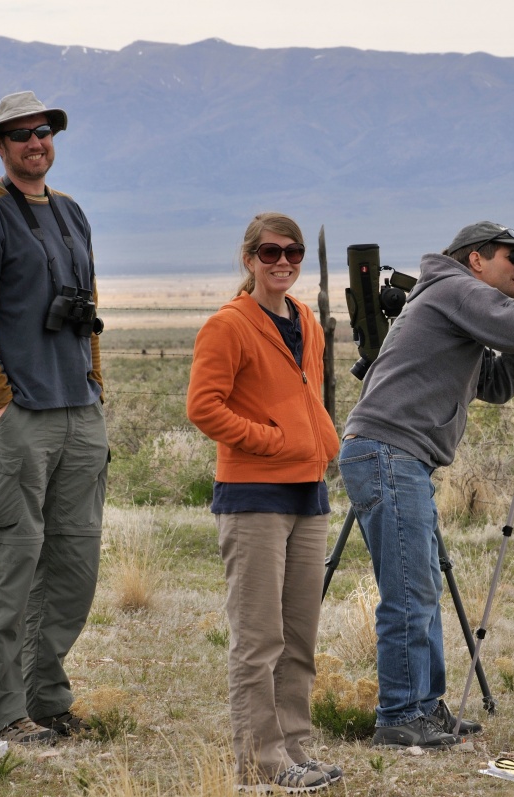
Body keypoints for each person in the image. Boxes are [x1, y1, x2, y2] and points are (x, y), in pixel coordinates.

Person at [338, 220, 514, 749]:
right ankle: (399, 715)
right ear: (474, 261)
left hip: (396, 455)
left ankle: (424, 708)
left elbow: (497, 382)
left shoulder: (452, 299)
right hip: (388, 452)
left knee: (423, 586)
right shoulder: (452, 289)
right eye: (511, 257)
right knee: (409, 590)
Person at [0, 90, 108, 745]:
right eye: (19, 135)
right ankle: (1, 711)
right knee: (11, 562)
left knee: (73, 564)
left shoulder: (71, 213)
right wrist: (1, 401)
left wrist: (95, 383)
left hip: (78, 409)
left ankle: (45, 695)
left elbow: (88, 307)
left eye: (42, 131)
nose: (34, 142)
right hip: (19, 415)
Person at [186, 213, 344, 793]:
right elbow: (204, 407)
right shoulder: (228, 325)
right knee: (259, 640)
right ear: (249, 259)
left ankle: (295, 749)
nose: (283, 263)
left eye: (293, 253)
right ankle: (261, 761)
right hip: (253, 496)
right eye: (270, 253)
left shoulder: (306, 319)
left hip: (309, 491)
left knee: (299, 635)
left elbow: (310, 392)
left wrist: (320, 442)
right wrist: (272, 440)